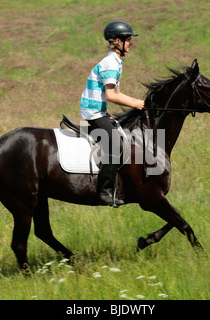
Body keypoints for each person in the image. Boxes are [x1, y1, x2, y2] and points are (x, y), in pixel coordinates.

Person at [80, 21, 144, 206]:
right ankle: (105, 192)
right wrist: (135, 104)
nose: (131, 43)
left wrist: (138, 103)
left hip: (98, 110)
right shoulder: (110, 63)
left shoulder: (116, 61)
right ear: (117, 41)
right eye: (128, 39)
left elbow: (117, 93)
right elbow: (110, 96)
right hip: (93, 112)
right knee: (115, 144)